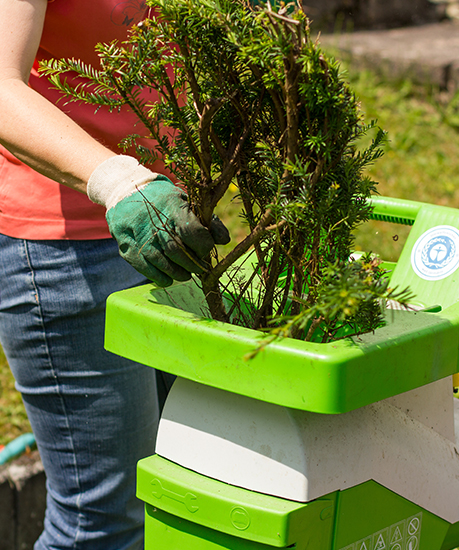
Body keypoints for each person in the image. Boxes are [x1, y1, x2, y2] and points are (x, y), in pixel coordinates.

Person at [0, 1, 229, 549]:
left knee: (186, 488)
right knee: (102, 525)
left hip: (175, 230)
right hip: (67, 253)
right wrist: (117, 180)